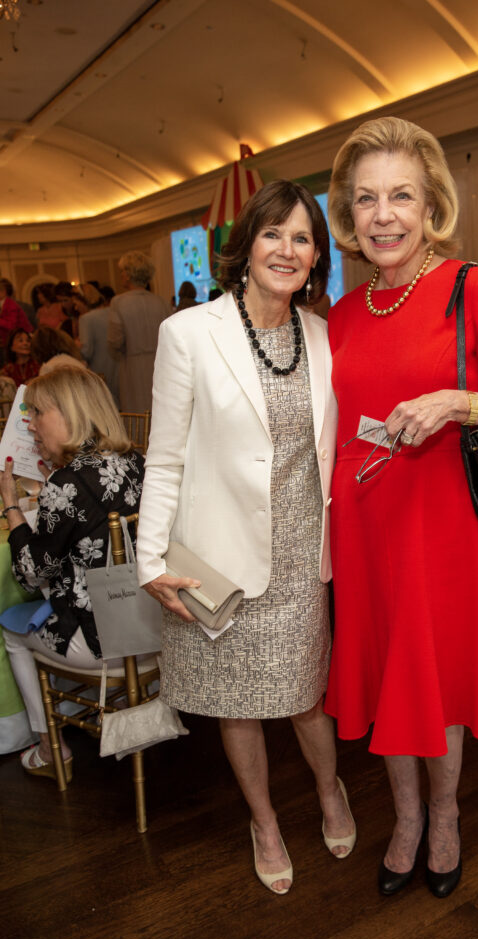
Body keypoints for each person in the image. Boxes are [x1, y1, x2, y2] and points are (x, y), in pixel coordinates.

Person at [325, 116, 478, 898]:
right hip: (359, 524)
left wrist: (456, 401)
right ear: (347, 217)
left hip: (435, 520)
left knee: (436, 673)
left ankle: (445, 815)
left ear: (429, 208)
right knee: (386, 672)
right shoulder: (344, 315)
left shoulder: (470, 285)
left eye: (400, 197)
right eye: (365, 200)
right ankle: (406, 818)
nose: (382, 215)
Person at [136, 180, 355, 895]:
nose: (286, 249)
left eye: (301, 238)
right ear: (245, 245)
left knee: (304, 698)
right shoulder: (189, 334)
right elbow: (164, 458)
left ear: (316, 255)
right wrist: (149, 562)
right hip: (220, 554)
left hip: (300, 556)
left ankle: (329, 790)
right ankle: (262, 820)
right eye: (272, 234)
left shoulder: (324, 337)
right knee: (237, 705)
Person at [0, 367, 145, 778]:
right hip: (156, 626)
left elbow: (30, 572)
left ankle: (50, 747)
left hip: (105, 641)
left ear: (67, 413)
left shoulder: (66, 483)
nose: (30, 424)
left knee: (12, 630)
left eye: (36, 413)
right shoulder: (136, 459)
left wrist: (12, 506)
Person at [107, 251, 173, 413]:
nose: (121, 275)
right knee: (160, 411)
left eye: (122, 271)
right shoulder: (161, 302)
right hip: (161, 365)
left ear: (129, 275)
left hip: (132, 367)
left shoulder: (119, 302)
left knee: (137, 413)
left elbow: (115, 340)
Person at [78, 283, 120, 404]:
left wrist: (75, 347)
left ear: (84, 301)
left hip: (99, 369)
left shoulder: (86, 319)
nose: (76, 308)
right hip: (118, 366)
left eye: (76, 304)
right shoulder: (112, 311)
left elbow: (86, 351)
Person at [0, 278, 34, 350]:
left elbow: (11, 325)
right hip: (9, 340)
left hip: (21, 338)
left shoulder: (11, 305)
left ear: (3, 292)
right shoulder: (4, 304)